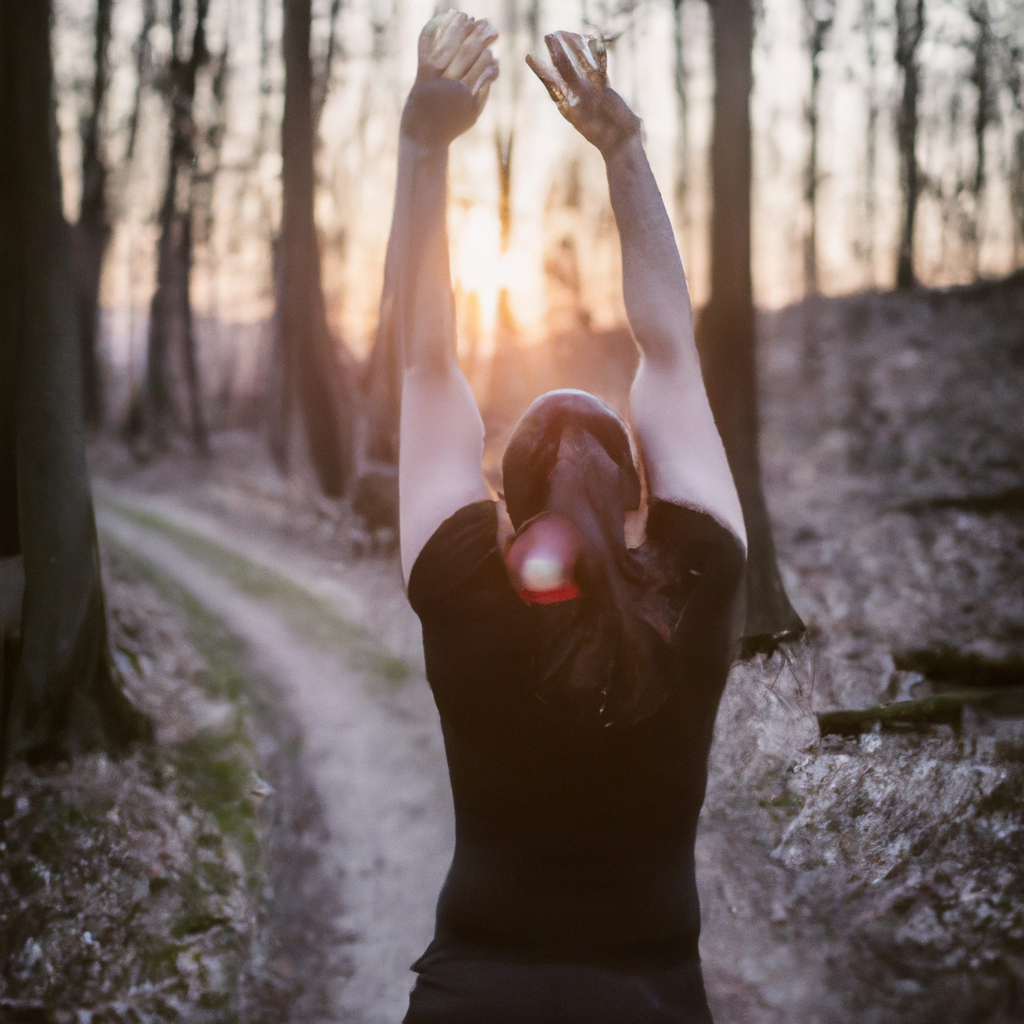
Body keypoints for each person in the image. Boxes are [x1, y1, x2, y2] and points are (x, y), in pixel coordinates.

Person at [389, 12, 747, 1023]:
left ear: (502, 494)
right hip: (651, 995)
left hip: (471, 992)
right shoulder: (698, 575)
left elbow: (424, 360)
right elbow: (669, 347)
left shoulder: (461, 578)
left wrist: (423, 148)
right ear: (642, 491)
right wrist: (623, 148)